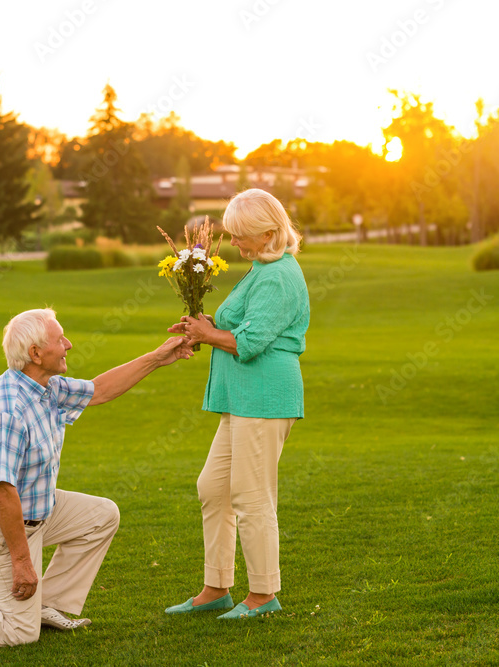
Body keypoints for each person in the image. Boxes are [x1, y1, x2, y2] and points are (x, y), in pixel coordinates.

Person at [0, 308, 192, 650]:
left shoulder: (44, 387)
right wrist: (22, 563)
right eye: (60, 339)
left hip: (40, 511)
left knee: (101, 516)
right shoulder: (7, 410)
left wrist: (159, 357)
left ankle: (43, 606)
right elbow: (2, 492)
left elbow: (99, 390)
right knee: (18, 633)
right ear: (35, 354)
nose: (68, 345)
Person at [166, 188, 310, 620]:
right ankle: (217, 587)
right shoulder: (260, 269)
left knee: (252, 497)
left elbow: (249, 341)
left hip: (265, 397)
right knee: (213, 489)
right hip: (242, 399)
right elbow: (239, 325)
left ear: (269, 231)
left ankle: (264, 596)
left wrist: (209, 334)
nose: (236, 244)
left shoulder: (280, 275)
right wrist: (204, 325)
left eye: (241, 236)